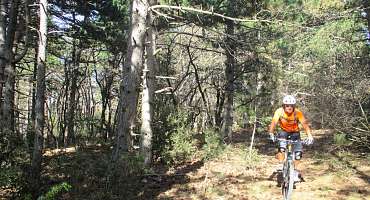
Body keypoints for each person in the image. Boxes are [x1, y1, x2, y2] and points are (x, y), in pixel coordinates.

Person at [268, 95, 314, 183]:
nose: (289, 107)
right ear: (283, 105)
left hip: (295, 133)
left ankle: (295, 172)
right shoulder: (279, 111)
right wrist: (271, 133)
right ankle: (282, 165)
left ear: (294, 106)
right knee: (281, 149)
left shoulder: (297, 113)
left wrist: (309, 136)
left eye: (291, 105)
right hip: (283, 132)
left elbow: (305, 124)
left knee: (298, 154)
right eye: (287, 105)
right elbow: (274, 122)